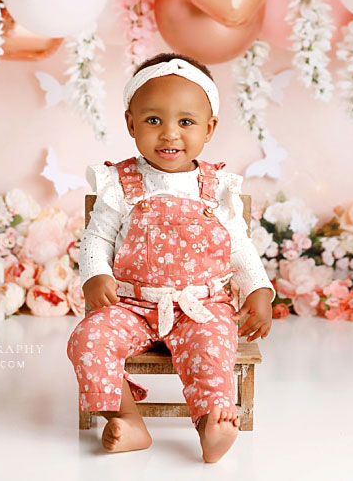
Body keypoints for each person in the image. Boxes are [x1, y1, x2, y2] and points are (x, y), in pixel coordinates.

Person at [66, 52, 275, 463]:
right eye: (153, 120)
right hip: (130, 302)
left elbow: (239, 246)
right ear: (130, 123)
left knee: (211, 350)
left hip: (201, 305)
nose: (169, 135)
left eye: (186, 122)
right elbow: (95, 239)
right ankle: (127, 420)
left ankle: (210, 423)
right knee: (88, 338)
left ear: (209, 128)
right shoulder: (119, 183)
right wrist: (95, 276)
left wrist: (259, 290)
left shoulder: (216, 187)